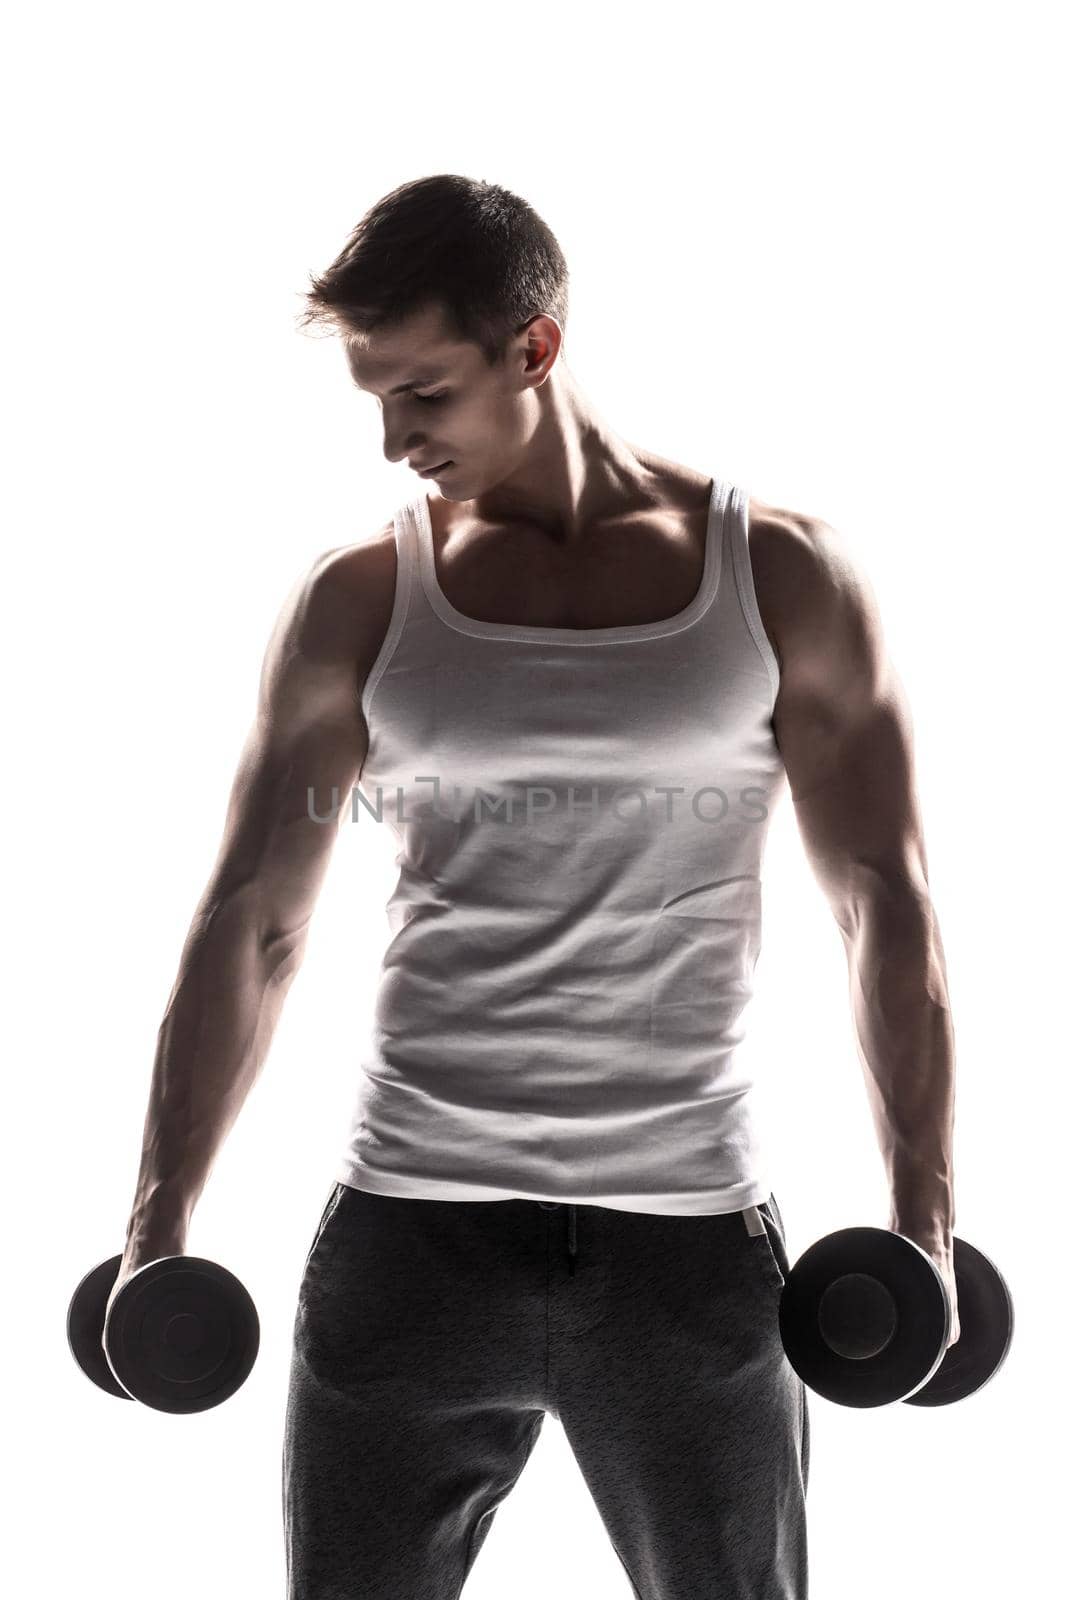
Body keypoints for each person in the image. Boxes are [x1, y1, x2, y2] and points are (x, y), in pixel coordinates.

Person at [109, 175, 959, 1600]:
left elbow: (885, 905)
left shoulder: (782, 578)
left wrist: (924, 1220)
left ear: (535, 349)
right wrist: (155, 1229)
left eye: (424, 396)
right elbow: (253, 922)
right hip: (407, 1240)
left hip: (688, 1249)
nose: (394, 443)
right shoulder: (361, 600)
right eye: (375, 402)